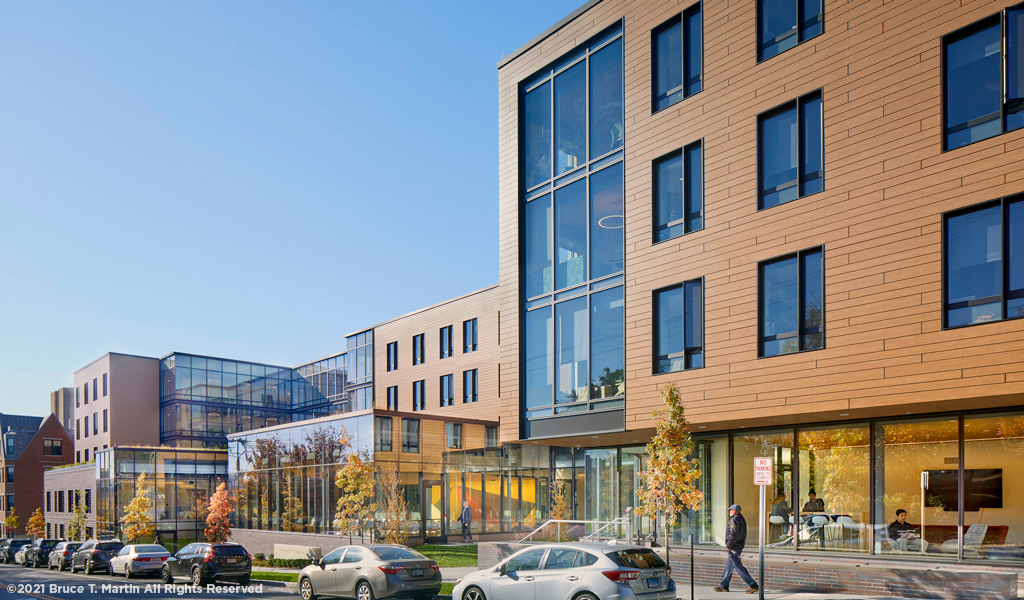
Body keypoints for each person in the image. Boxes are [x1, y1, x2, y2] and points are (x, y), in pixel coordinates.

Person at [714, 504, 758, 594]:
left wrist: (729, 546)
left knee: (738, 567)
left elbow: (733, 534)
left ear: (734, 511)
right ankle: (724, 585)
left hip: (734, 547)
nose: (730, 512)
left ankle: (753, 585)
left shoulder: (735, 519)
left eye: (731, 510)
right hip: (737, 546)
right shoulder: (740, 518)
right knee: (729, 566)